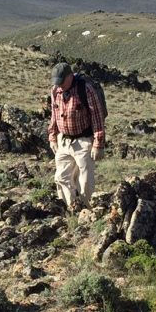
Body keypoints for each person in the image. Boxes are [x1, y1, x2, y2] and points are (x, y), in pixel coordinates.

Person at [47, 62, 106, 211]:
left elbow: (97, 117)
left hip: (84, 140)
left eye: (61, 82)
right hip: (64, 141)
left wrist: (98, 144)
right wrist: (52, 136)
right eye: (56, 82)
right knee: (62, 177)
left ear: (69, 77)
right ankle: (71, 208)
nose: (59, 85)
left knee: (85, 181)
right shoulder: (55, 90)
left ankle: (87, 210)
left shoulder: (85, 89)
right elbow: (54, 114)